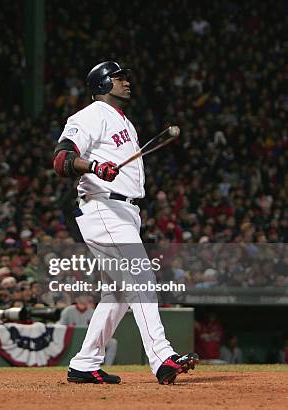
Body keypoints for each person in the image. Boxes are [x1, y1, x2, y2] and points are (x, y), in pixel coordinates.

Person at [52, 61, 197, 385]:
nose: (126, 81)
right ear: (102, 84)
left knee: (117, 294)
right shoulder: (89, 116)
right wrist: (93, 166)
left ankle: (84, 363)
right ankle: (162, 357)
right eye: (118, 77)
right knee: (142, 278)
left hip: (124, 211)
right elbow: (61, 160)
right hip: (104, 207)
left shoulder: (124, 121)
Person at [59, 295, 118, 366]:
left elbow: (99, 328)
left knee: (112, 342)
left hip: (89, 339)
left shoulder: (92, 312)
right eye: (83, 296)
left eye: (86, 296)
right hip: (72, 338)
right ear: (77, 299)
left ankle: (108, 366)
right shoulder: (68, 311)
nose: (86, 298)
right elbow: (60, 327)